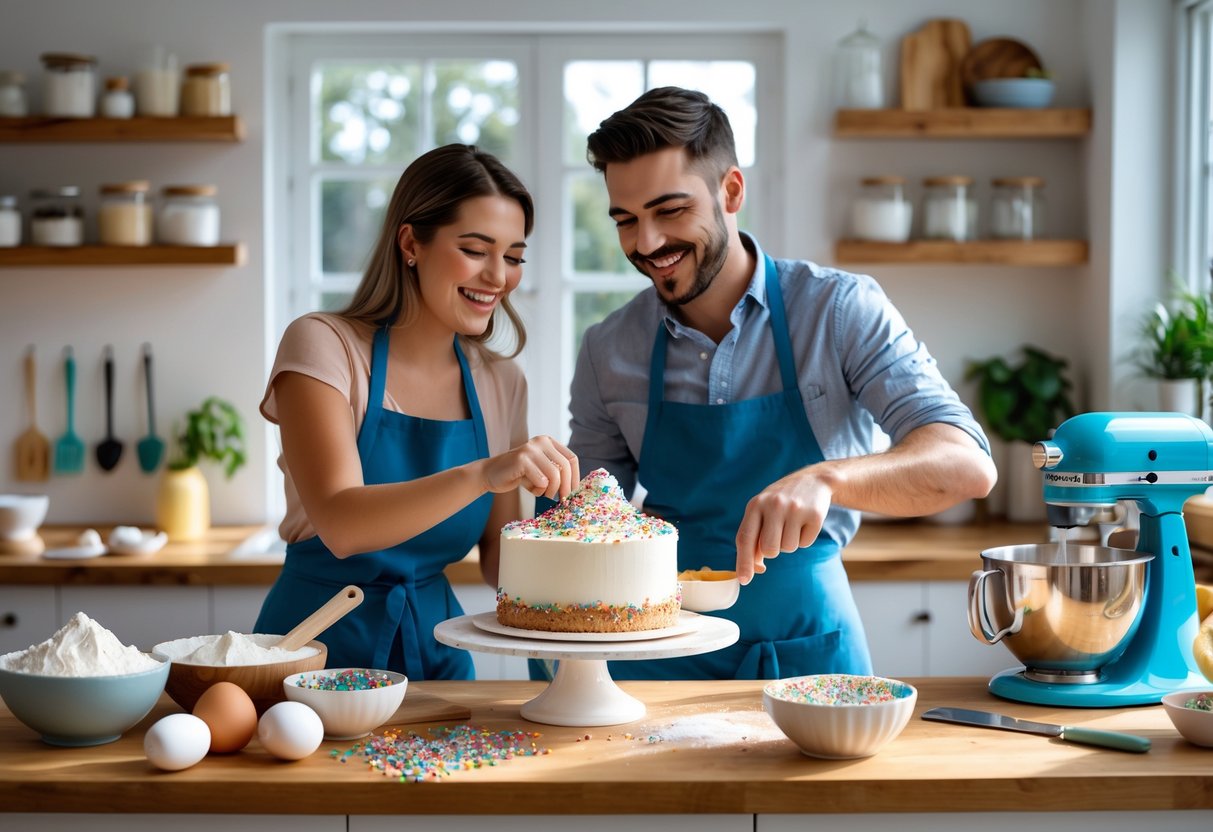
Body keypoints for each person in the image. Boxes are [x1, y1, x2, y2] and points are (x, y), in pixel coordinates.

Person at [567, 87, 997, 680]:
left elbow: (967, 464)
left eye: (669, 211)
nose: (646, 244)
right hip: (658, 656)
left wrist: (829, 478)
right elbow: (585, 521)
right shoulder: (607, 348)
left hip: (808, 645)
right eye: (626, 219)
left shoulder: (840, 310)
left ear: (732, 191)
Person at [256, 144, 578, 680]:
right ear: (411, 243)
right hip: (312, 656)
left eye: (515, 256)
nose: (499, 276)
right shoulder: (323, 346)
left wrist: (586, 565)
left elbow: (499, 556)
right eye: (476, 249)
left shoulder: (500, 382)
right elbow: (342, 523)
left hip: (438, 661)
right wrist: (484, 473)